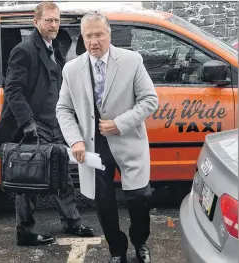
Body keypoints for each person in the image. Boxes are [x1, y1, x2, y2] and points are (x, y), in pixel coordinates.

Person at [0, 2, 94, 247]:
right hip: (35, 124)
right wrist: (27, 124)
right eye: (48, 20)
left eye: (56, 20)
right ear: (36, 22)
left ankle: (72, 223)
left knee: (63, 174)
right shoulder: (24, 50)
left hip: (54, 122)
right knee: (31, 179)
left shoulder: (54, 47)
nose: (53, 25)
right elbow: (13, 90)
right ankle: (24, 232)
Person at [56, 12, 158, 263]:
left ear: (109, 34)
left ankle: (139, 243)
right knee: (104, 204)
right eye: (88, 36)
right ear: (83, 37)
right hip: (94, 147)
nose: (94, 41)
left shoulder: (131, 60)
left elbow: (150, 100)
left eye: (99, 34)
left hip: (128, 141)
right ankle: (117, 251)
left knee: (139, 199)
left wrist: (119, 124)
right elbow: (64, 109)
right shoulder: (72, 69)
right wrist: (75, 140)